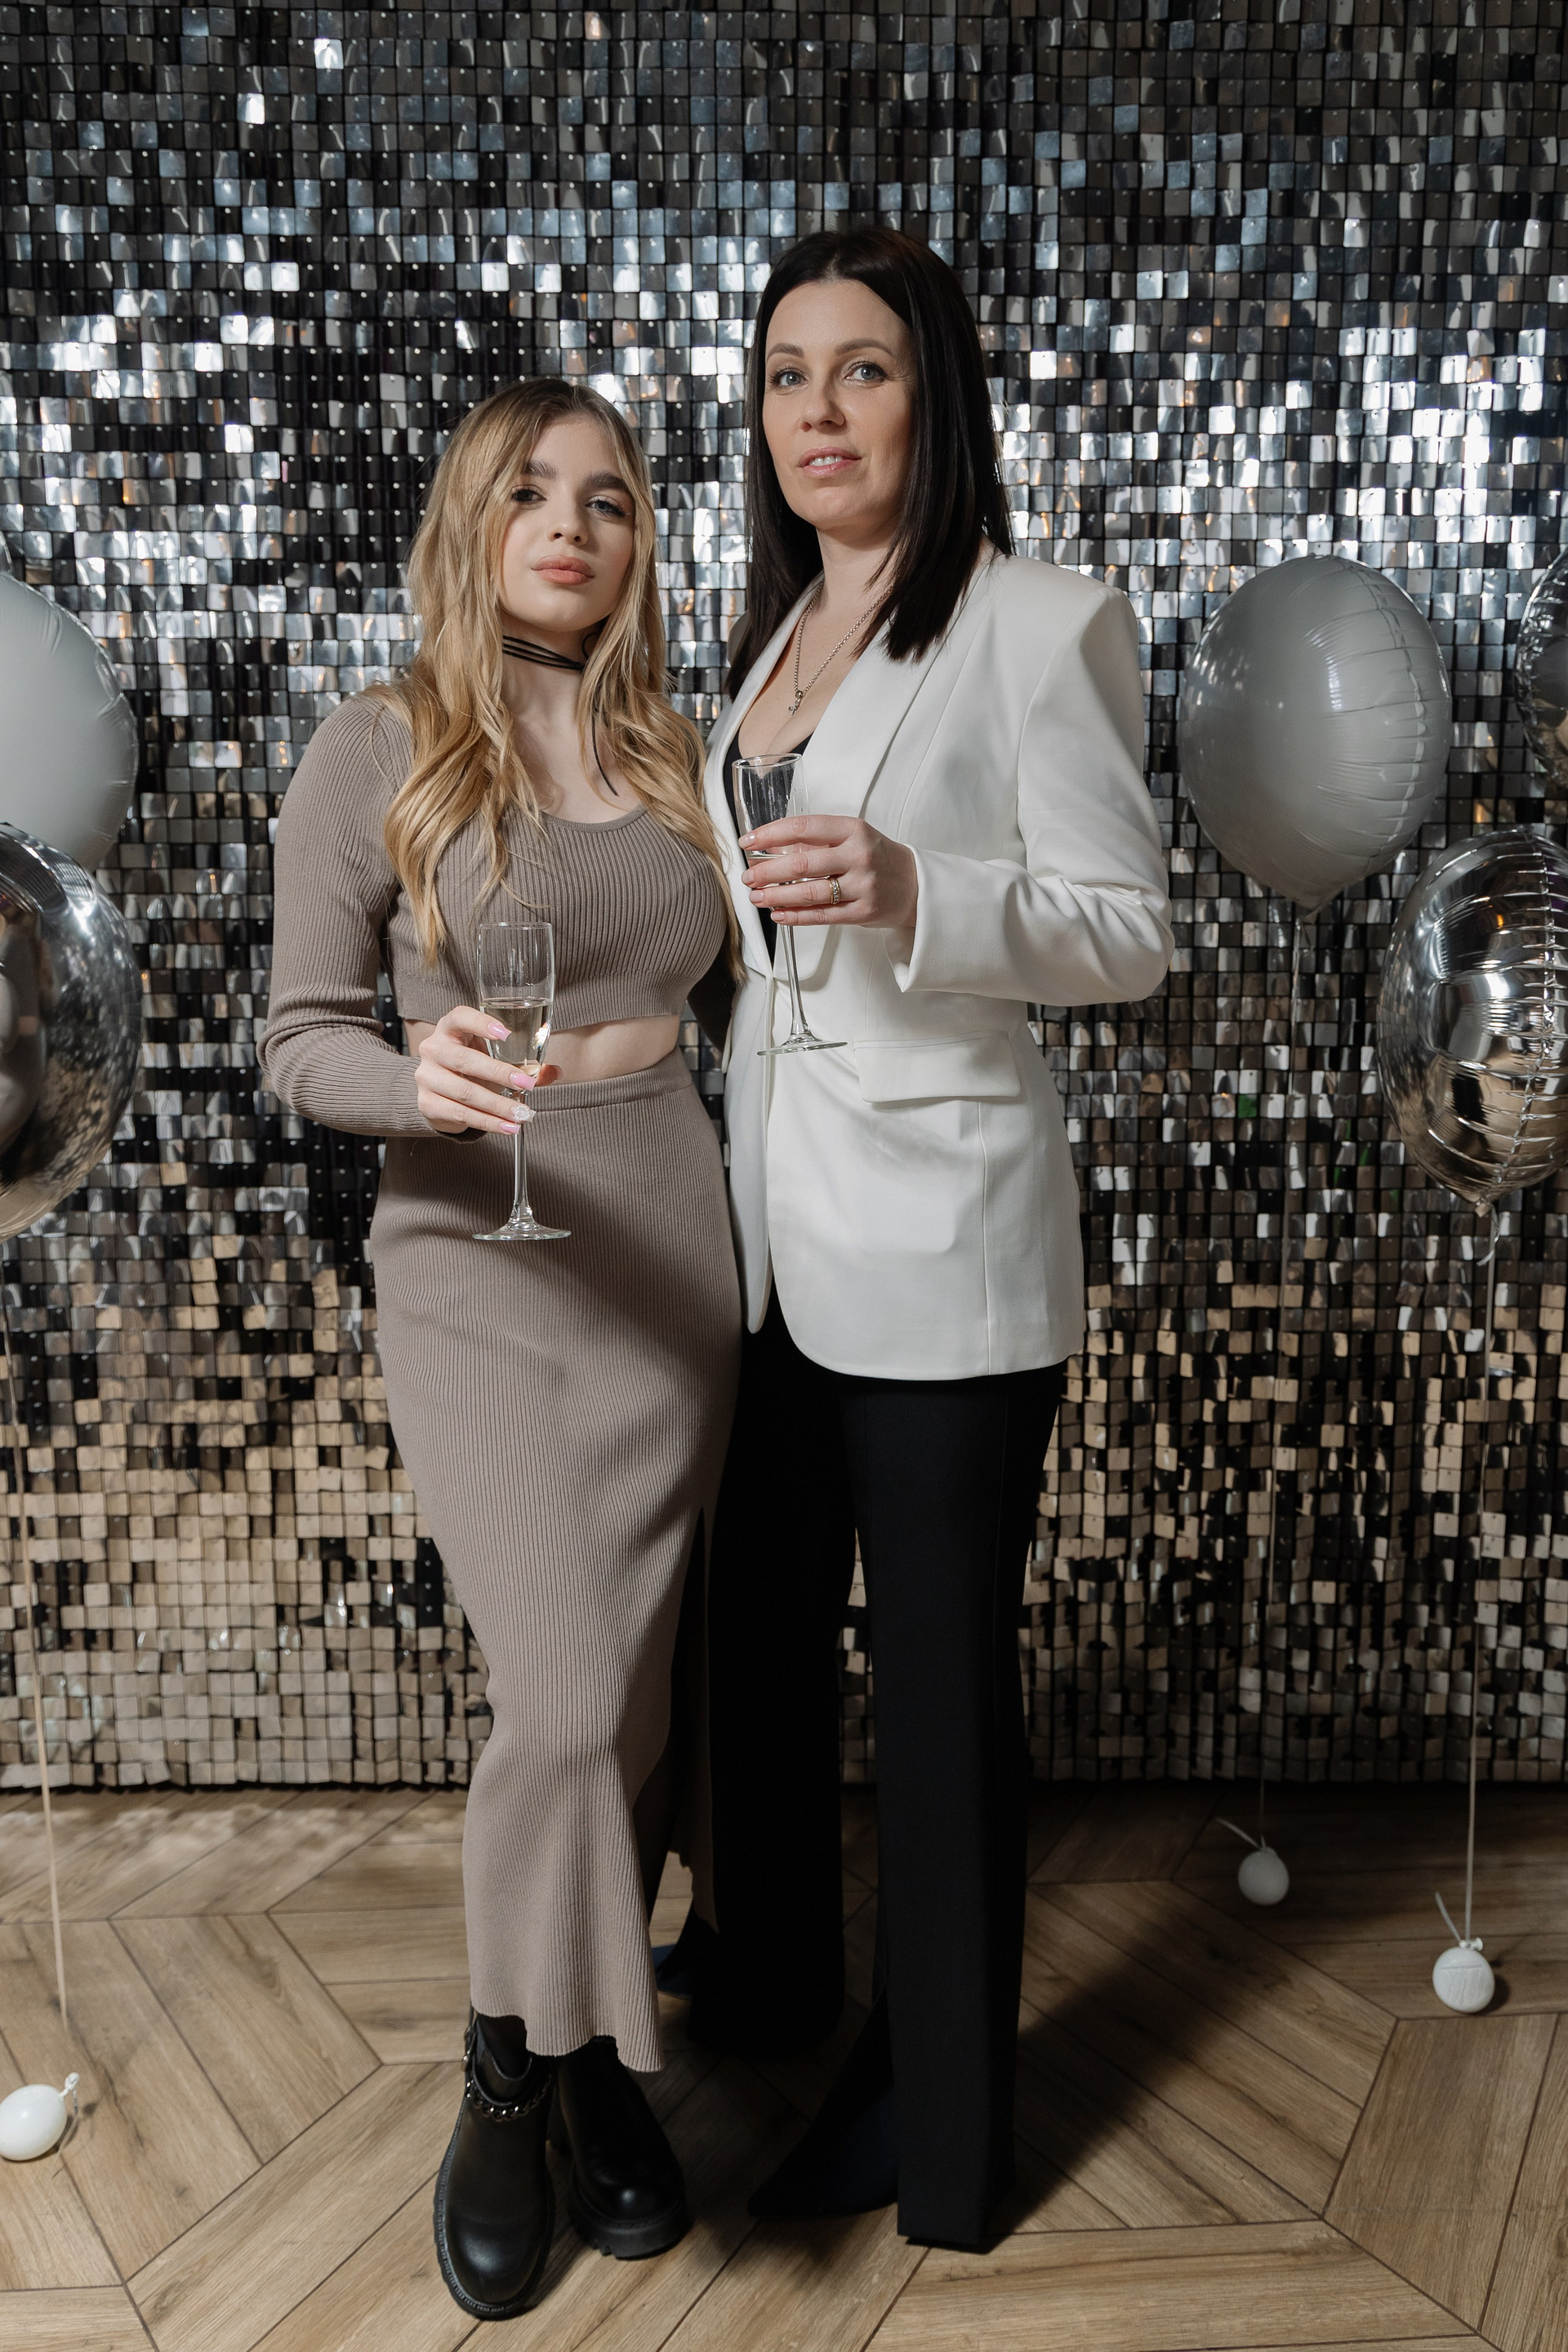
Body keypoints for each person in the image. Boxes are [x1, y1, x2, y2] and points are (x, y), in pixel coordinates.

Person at [677, 227, 1174, 2250]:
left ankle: (944, 2140)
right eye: (786, 374)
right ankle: (774, 1992)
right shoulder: (768, 640)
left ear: (934, 395)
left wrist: (919, 889)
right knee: (759, 1646)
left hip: (949, 1251)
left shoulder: (1041, 626)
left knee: (942, 1703)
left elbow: (1128, 936)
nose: (819, 411)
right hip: (768, 1241)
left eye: (863, 369)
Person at [260, 379, 741, 2319]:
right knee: (559, 1691)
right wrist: (414, 1076)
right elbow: (298, 1036)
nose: (572, 524)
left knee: (631, 1701)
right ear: (471, 523)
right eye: (531, 491)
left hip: (667, 1239)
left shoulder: (680, 746)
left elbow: (749, 995)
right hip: (476, 1245)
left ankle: (593, 2063)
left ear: (639, 544)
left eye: (610, 498)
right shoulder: (378, 744)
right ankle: (507, 2074)